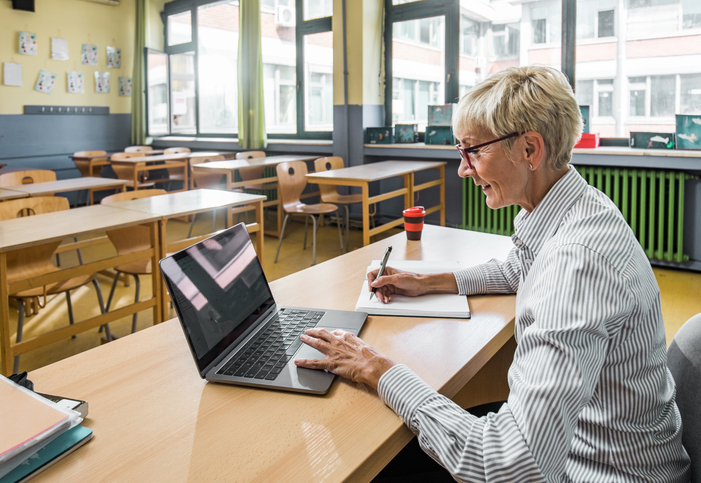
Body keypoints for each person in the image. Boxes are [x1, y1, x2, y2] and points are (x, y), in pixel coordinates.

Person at [294, 66, 691, 482]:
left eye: (473, 151)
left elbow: (510, 466)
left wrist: (377, 369)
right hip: (586, 442)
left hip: (598, 470)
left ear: (530, 150)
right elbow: (519, 268)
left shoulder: (576, 265)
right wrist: (427, 282)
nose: (463, 169)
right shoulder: (574, 209)